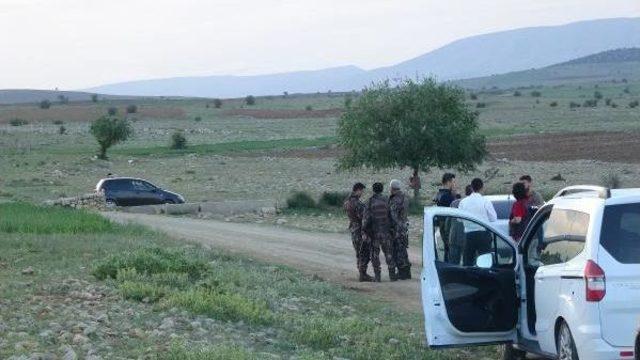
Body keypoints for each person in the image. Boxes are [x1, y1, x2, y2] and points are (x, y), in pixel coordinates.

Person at [458, 178, 498, 266]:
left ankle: (468, 278)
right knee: (486, 263)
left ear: (471, 187)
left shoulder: (463, 202)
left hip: (469, 235)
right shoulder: (485, 201)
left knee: (467, 262)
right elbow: (493, 218)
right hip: (483, 234)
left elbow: (459, 219)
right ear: (482, 188)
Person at [363, 182, 397, 282]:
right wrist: (393, 229)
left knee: (375, 255)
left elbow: (366, 218)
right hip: (386, 232)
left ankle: (378, 277)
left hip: (374, 233)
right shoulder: (387, 200)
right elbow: (393, 217)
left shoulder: (369, 202)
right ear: (382, 190)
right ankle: (392, 275)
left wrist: (364, 230)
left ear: (373, 190)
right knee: (389, 253)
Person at [343, 182, 373, 282]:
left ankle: (362, 273)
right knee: (364, 252)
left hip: (353, 229)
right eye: (362, 191)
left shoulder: (347, 202)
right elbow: (363, 218)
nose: (362, 193)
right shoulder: (358, 203)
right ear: (358, 190)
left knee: (358, 252)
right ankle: (363, 274)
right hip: (360, 230)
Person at [388, 179, 412, 280]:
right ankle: (406, 272)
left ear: (392, 188)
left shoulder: (395, 199)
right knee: (403, 249)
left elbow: (393, 215)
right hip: (403, 227)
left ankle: (402, 272)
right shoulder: (404, 197)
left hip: (396, 228)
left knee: (398, 250)